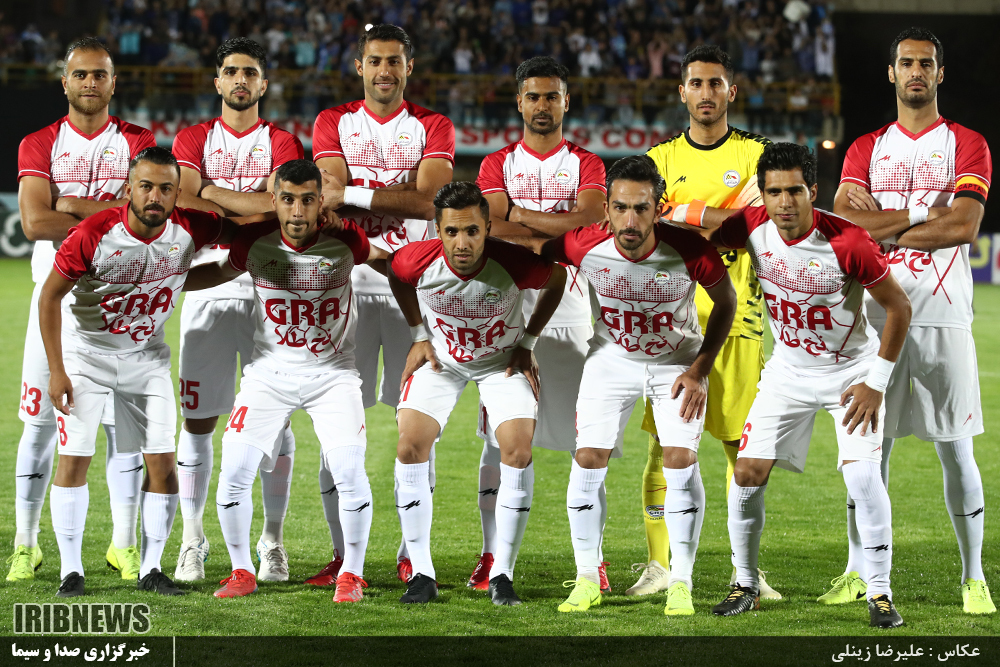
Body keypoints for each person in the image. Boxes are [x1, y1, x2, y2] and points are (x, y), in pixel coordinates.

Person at [707, 142, 911, 629]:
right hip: (788, 373)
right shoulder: (751, 225)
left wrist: (876, 383)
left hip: (851, 374)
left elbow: (899, 308)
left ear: (812, 191)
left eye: (794, 191)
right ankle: (745, 585)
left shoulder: (849, 241)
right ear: (762, 194)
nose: (784, 202)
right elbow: (705, 241)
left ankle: (880, 592)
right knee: (746, 474)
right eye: (774, 192)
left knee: (863, 479)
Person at [37, 147, 250, 597]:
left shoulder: (192, 227)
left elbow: (236, 240)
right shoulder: (93, 232)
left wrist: (240, 262)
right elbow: (50, 296)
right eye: (146, 186)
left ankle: (152, 568)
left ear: (177, 193)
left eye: (166, 188)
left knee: (162, 463)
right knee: (74, 458)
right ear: (128, 189)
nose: (155, 196)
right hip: (88, 357)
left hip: (148, 358)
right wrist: (57, 371)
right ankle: (70, 571)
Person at [832, 27, 994, 615]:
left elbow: (964, 226)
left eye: (926, 63)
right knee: (868, 453)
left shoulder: (968, 144)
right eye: (906, 63)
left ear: (939, 74)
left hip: (944, 318)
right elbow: (846, 229)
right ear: (892, 73)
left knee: (956, 450)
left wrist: (887, 225)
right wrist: (927, 211)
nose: (916, 72)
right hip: (875, 321)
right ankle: (858, 571)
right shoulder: (865, 148)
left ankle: (973, 577)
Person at [183, 160, 387, 602]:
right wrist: (165, 282)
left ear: (321, 202)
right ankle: (241, 571)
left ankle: (352, 574)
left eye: (308, 200)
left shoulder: (345, 239)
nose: (297, 211)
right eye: (288, 199)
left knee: (348, 470)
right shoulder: (254, 242)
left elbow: (387, 263)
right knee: (234, 468)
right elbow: (218, 273)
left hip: (333, 375)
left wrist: (421, 289)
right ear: (273, 200)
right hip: (268, 374)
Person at [542, 155, 736, 615]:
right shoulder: (582, 244)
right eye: (621, 208)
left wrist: (699, 370)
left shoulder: (689, 250)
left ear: (658, 208)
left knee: (680, 460)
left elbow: (725, 301)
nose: (630, 221)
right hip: (611, 360)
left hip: (676, 363)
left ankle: (681, 581)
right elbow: (542, 255)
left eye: (641, 208)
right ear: (605, 209)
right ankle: (587, 578)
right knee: (587, 458)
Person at [311, 24, 455, 585]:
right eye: (375, 61)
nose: (385, 71)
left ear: (409, 67)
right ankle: (339, 554)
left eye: (394, 61)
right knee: (336, 426)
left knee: (416, 423)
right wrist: (393, 196)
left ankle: (410, 551)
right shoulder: (333, 121)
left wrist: (353, 192)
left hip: (413, 291)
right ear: (360, 66)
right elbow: (326, 200)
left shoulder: (433, 125)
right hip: (345, 286)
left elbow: (433, 200)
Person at [8, 37, 155, 584]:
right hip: (54, 302)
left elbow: (147, 214)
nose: (90, 82)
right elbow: (34, 223)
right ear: (64, 81)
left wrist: (70, 204)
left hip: (121, 304)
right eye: (81, 74)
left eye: (100, 74)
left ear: (114, 82)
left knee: (124, 432)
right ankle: (26, 544)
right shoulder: (38, 142)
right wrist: (110, 212)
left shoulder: (139, 141)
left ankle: (123, 545)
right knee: (40, 426)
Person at [637, 45, 780, 599]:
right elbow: (648, 230)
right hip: (670, 326)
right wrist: (722, 220)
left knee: (741, 449)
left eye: (715, 83)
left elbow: (761, 224)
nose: (705, 93)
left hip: (738, 320)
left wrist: (685, 214)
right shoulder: (657, 159)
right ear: (682, 92)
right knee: (663, 449)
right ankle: (660, 566)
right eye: (696, 83)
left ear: (731, 91)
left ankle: (747, 571)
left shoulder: (757, 155)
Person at [388, 182, 566, 605]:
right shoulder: (416, 260)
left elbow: (557, 279)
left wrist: (528, 342)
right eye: (451, 232)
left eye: (472, 231)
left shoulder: (514, 262)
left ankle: (503, 574)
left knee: (518, 452)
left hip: (500, 363)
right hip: (443, 362)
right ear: (438, 230)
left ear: (488, 228)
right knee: (410, 446)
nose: (462, 243)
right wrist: (418, 335)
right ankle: (422, 574)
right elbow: (396, 275)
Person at [170, 37, 305, 584]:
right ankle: (192, 539)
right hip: (206, 285)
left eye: (250, 72)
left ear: (264, 83)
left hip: (271, 288)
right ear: (218, 81)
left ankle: (272, 540)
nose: (241, 80)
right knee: (198, 419)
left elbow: (281, 208)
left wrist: (215, 196)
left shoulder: (284, 141)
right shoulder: (192, 137)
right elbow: (183, 199)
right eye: (231, 71)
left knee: (276, 419)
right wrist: (248, 209)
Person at [473, 55, 609, 593]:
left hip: (572, 318)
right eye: (533, 96)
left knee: (586, 444)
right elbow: (489, 228)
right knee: (499, 442)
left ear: (566, 101)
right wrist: (552, 234)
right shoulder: (496, 163)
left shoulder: (587, 163)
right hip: (506, 320)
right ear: (519, 102)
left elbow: (590, 221)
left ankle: (592, 560)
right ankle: (491, 556)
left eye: (552, 96)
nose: (542, 105)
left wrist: (521, 219)